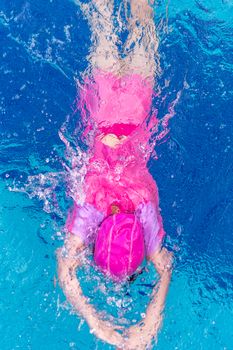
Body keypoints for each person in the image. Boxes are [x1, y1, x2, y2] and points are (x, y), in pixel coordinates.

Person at [57, 0, 173, 349]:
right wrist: (95, 322)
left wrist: (147, 329)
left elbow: (165, 267)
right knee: (103, 21)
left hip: (137, 107)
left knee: (143, 25)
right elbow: (65, 267)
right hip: (102, 106)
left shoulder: (143, 212)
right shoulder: (90, 205)